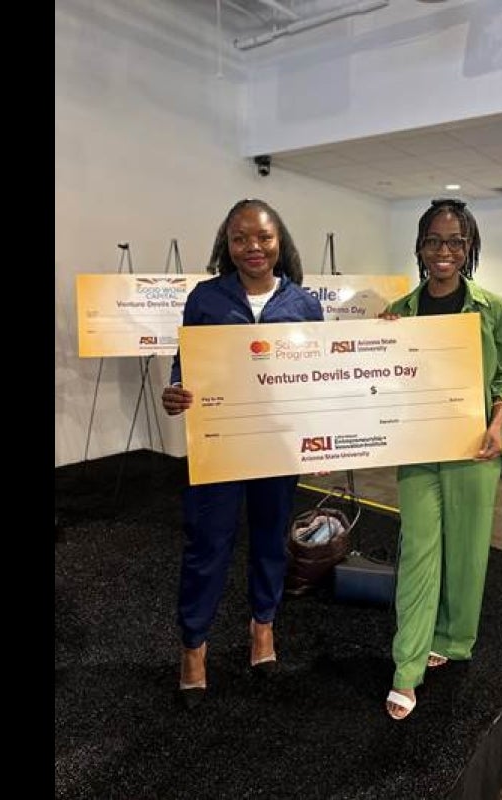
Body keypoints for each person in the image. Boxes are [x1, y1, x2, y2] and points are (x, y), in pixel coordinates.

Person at [161, 199, 324, 708]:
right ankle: (193, 647)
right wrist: (176, 391)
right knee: (207, 545)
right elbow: (184, 365)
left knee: (271, 541)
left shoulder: (303, 304)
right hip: (218, 445)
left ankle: (263, 628)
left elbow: (317, 378)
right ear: (226, 245)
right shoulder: (205, 299)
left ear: (280, 243)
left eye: (263, 238)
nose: (252, 247)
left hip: (277, 446)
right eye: (240, 238)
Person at [380, 198, 502, 720]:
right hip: (419, 449)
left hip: (473, 451)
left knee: (465, 553)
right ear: (419, 247)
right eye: (434, 241)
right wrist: (377, 343)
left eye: (456, 242)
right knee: (419, 549)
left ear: (470, 248)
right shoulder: (400, 312)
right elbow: (381, 382)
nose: (444, 251)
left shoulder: (496, 310)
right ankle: (407, 668)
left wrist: (496, 424)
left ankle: (455, 639)